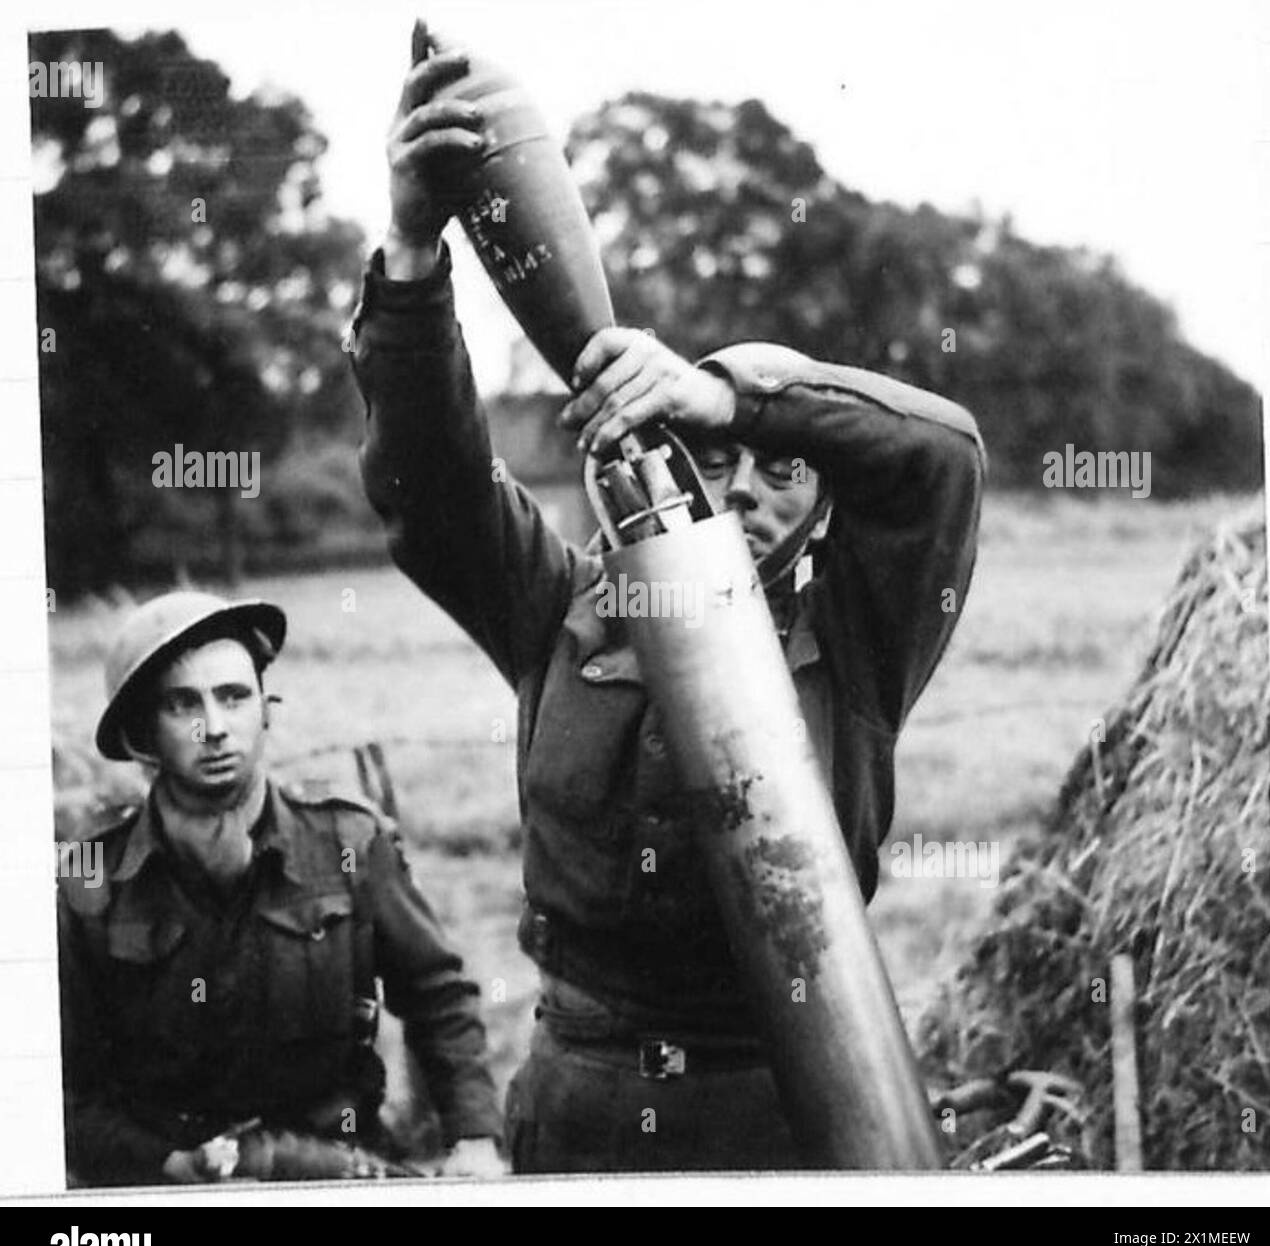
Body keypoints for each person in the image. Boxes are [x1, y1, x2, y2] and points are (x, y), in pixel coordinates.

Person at [349, 41, 986, 1171]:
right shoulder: (565, 605)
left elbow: (943, 456)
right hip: (575, 1105)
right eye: (710, 451)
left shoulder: (860, 635)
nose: (740, 484)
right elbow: (429, 490)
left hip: (783, 1107)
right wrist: (409, 252)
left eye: (777, 466)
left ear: (826, 505)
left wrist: (728, 394)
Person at [57, 590, 506, 1185]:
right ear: (142, 732)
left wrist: (474, 1137)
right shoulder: (89, 878)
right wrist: (164, 1163)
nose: (214, 728)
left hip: (337, 1172)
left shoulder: (347, 841)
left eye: (234, 697)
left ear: (266, 710)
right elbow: (61, 1086)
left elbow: (437, 995)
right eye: (182, 704)